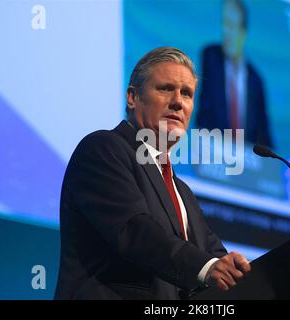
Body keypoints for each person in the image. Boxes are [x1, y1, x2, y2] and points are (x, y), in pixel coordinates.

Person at [54, 47, 251, 299]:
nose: (178, 102)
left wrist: (243, 275)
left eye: (187, 94)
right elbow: (135, 231)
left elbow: (214, 256)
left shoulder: (183, 192)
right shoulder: (103, 149)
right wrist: (208, 268)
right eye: (166, 88)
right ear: (132, 97)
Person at [196, 0, 273, 147]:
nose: (226, 32)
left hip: (247, 165)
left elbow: (265, 136)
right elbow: (204, 115)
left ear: (243, 33)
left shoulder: (256, 80)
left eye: (231, 26)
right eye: (224, 24)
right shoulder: (211, 57)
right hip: (212, 157)